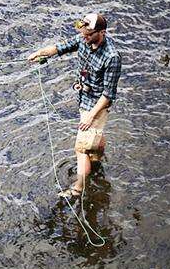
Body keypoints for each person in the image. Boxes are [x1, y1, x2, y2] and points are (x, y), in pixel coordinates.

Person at [28, 12, 122, 201]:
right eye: (83, 34)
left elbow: (108, 95)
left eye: (88, 35)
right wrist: (40, 53)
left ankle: (78, 189)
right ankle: (96, 159)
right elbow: (59, 47)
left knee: (80, 150)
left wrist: (90, 116)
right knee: (94, 139)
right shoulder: (83, 39)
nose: (84, 38)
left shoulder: (112, 57)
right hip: (84, 98)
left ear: (101, 32)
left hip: (96, 106)